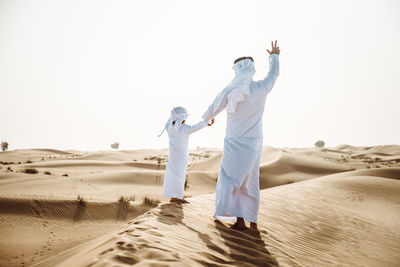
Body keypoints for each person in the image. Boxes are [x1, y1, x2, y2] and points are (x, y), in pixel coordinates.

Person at [202, 41, 280, 230]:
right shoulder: (261, 88)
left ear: (237, 71)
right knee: (250, 181)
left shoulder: (230, 90)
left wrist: (207, 118)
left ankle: (238, 220)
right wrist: (274, 56)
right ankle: (251, 222)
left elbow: (214, 107)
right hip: (254, 144)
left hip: (234, 142)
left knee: (230, 179)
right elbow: (273, 74)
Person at [159, 106, 214, 204]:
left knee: (172, 175)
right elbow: (197, 127)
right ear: (183, 117)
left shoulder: (169, 127)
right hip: (181, 157)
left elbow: (171, 120)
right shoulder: (184, 128)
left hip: (172, 157)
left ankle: (173, 196)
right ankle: (178, 197)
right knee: (180, 176)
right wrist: (207, 122)